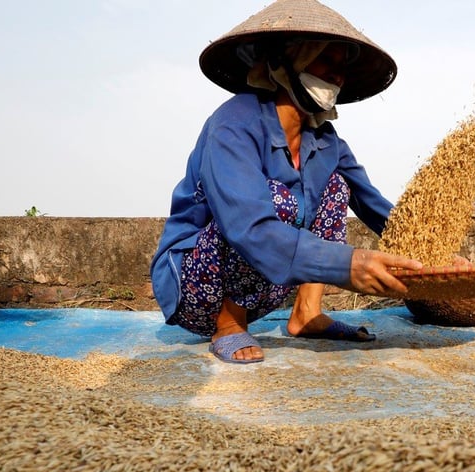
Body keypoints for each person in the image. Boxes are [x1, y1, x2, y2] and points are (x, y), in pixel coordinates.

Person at [150, 0, 421, 364]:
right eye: (325, 60)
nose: (337, 76)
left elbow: (374, 206)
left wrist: (428, 252)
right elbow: (248, 226)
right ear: (285, 62)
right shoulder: (233, 125)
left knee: (337, 187)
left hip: (266, 285)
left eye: (342, 67)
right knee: (277, 199)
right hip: (198, 287)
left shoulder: (327, 141)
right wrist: (347, 264)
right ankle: (228, 323)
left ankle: (306, 312)